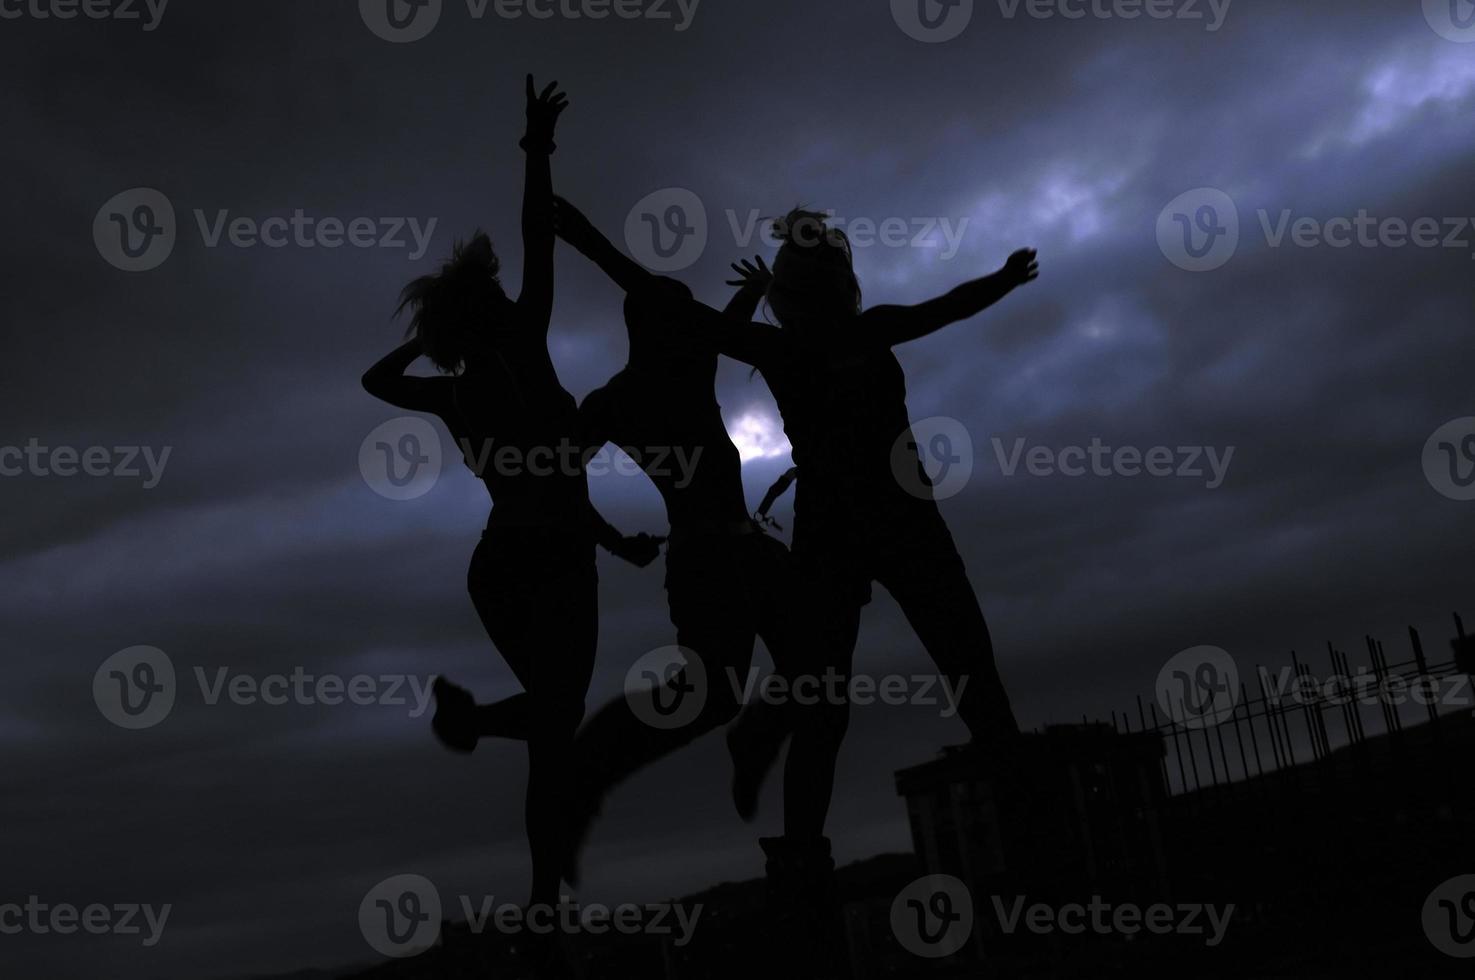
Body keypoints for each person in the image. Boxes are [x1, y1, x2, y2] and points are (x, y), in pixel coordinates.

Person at [360, 77, 658, 918]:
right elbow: (540, 240)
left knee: (554, 733)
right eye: (490, 295)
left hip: (502, 562)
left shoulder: (455, 393)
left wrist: (433, 341)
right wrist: (536, 146)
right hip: (553, 560)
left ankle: (537, 904)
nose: (505, 294)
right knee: (553, 721)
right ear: (486, 312)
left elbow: (375, 379)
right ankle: (479, 729)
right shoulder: (524, 347)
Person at [705, 211, 1040, 839]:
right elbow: (946, 308)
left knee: (849, 697)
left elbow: (944, 308)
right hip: (878, 526)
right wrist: (1003, 279)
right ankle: (1026, 826)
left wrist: (1001, 280)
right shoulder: (843, 337)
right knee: (949, 677)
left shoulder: (802, 344)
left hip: (869, 527)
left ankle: (790, 813)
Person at [546, 197, 809, 881]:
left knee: (815, 662)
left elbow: (711, 328)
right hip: (706, 557)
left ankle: (751, 734)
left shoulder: (676, 370)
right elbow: (557, 481)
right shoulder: (628, 394)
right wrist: (608, 538)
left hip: (745, 548)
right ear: (660, 326)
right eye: (679, 314)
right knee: (711, 695)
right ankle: (586, 772)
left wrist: (748, 298)